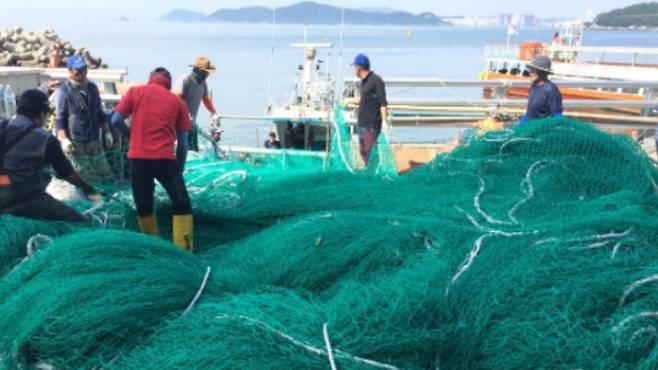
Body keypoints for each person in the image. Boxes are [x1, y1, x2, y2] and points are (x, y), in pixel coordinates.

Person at [111, 67, 195, 251]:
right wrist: (178, 168)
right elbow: (182, 143)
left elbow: (115, 120)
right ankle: (184, 250)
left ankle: (152, 247)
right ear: (169, 83)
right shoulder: (178, 102)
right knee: (181, 203)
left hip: (138, 159)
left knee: (144, 204)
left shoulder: (135, 92)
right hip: (164, 159)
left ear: (150, 79)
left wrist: (130, 136)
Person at [0, 90, 100, 222]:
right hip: (21, 197)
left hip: (2, 187)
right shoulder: (45, 139)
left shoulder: (3, 126)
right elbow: (68, 174)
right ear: (42, 113)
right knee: (79, 221)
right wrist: (89, 189)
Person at [53, 55, 114, 182]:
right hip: (76, 144)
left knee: (106, 175)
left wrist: (107, 132)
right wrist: (63, 140)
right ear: (70, 71)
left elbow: (99, 112)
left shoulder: (92, 88)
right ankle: (93, 200)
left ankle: (108, 198)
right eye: (78, 71)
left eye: (84, 69)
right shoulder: (63, 91)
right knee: (86, 177)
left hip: (94, 141)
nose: (83, 73)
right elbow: (59, 119)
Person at [174, 56, 219, 152]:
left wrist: (214, 112)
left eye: (208, 73)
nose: (207, 75)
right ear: (198, 71)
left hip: (192, 123)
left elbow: (206, 99)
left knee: (194, 149)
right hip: (179, 123)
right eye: (205, 72)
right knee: (183, 148)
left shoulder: (203, 84)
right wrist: (185, 115)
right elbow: (175, 99)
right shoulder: (185, 80)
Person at [352, 53, 389, 166]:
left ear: (359, 67)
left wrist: (384, 122)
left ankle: (375, 176)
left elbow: (383, 103)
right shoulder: (363, 82)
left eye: (354, 67)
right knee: (363, 154)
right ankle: (369, 173)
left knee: (370, 154)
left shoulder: (376, 80)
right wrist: (349, 101)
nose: (353, 69)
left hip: (371, 126)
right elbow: (364, 99)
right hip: (362, 125)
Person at [520, 55, 563, 124]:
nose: (530, 72)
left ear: (543, 72)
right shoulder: (534, 86)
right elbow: (530, 112)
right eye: (531, 69)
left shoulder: (551, 89)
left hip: (540, 131)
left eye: (534, 69)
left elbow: (557, 115)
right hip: (529, 128)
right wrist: (520, 125)